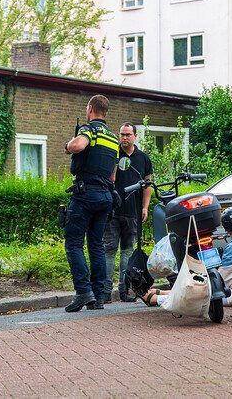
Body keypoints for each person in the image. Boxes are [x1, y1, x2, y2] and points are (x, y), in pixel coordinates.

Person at [63, 95, 119, 312]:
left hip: (85, 195)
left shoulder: (89, 130)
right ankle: (98, 296)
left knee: (74, 244)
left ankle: (83, 292)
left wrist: (68, 146)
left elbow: (78, 145)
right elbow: (113, 175)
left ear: (90, 109)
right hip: (105, 196)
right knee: (96, 245)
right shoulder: (113, 138)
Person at [103, 122, 153, 304]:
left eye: (128, 135)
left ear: (135, 136)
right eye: (122, 134)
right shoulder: (112, 155)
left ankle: (125, 291)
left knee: (127, 251)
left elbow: (148, 186)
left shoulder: (144, 158)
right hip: (112, 211)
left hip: (133, 213)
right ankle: (105, 292)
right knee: (108, 250)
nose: (124, 138)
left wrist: (145, 207)